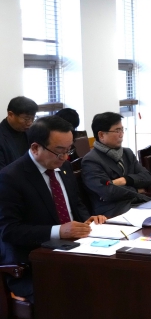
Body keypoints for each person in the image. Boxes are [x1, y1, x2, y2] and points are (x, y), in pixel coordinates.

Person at [0, 116, 106, 302]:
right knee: (84, 294)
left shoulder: (64, 168)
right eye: (59, 151)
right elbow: (9, 231)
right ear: (35, 148)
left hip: (75, 250)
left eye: (68, 150)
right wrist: (59, 231)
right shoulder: (10, 178)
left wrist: (87, 220)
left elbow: (75, 203)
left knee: (114, 278)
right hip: (34, 263)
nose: (65, 157)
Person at [81, 112, 151, 217]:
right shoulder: (91, 160)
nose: (121, 134)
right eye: (117, 130)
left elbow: (147, 177)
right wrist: (137, 190)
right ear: (101, 135)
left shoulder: (127, 153)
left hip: (139, 202)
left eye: (122, 130)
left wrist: (125, 180)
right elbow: (108, 192)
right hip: (113, 211)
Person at [0, 96, 38, 171]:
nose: (30, 123)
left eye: (32, 119)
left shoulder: (31, 132)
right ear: (10, 114)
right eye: (26, 119)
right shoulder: (2, 137)